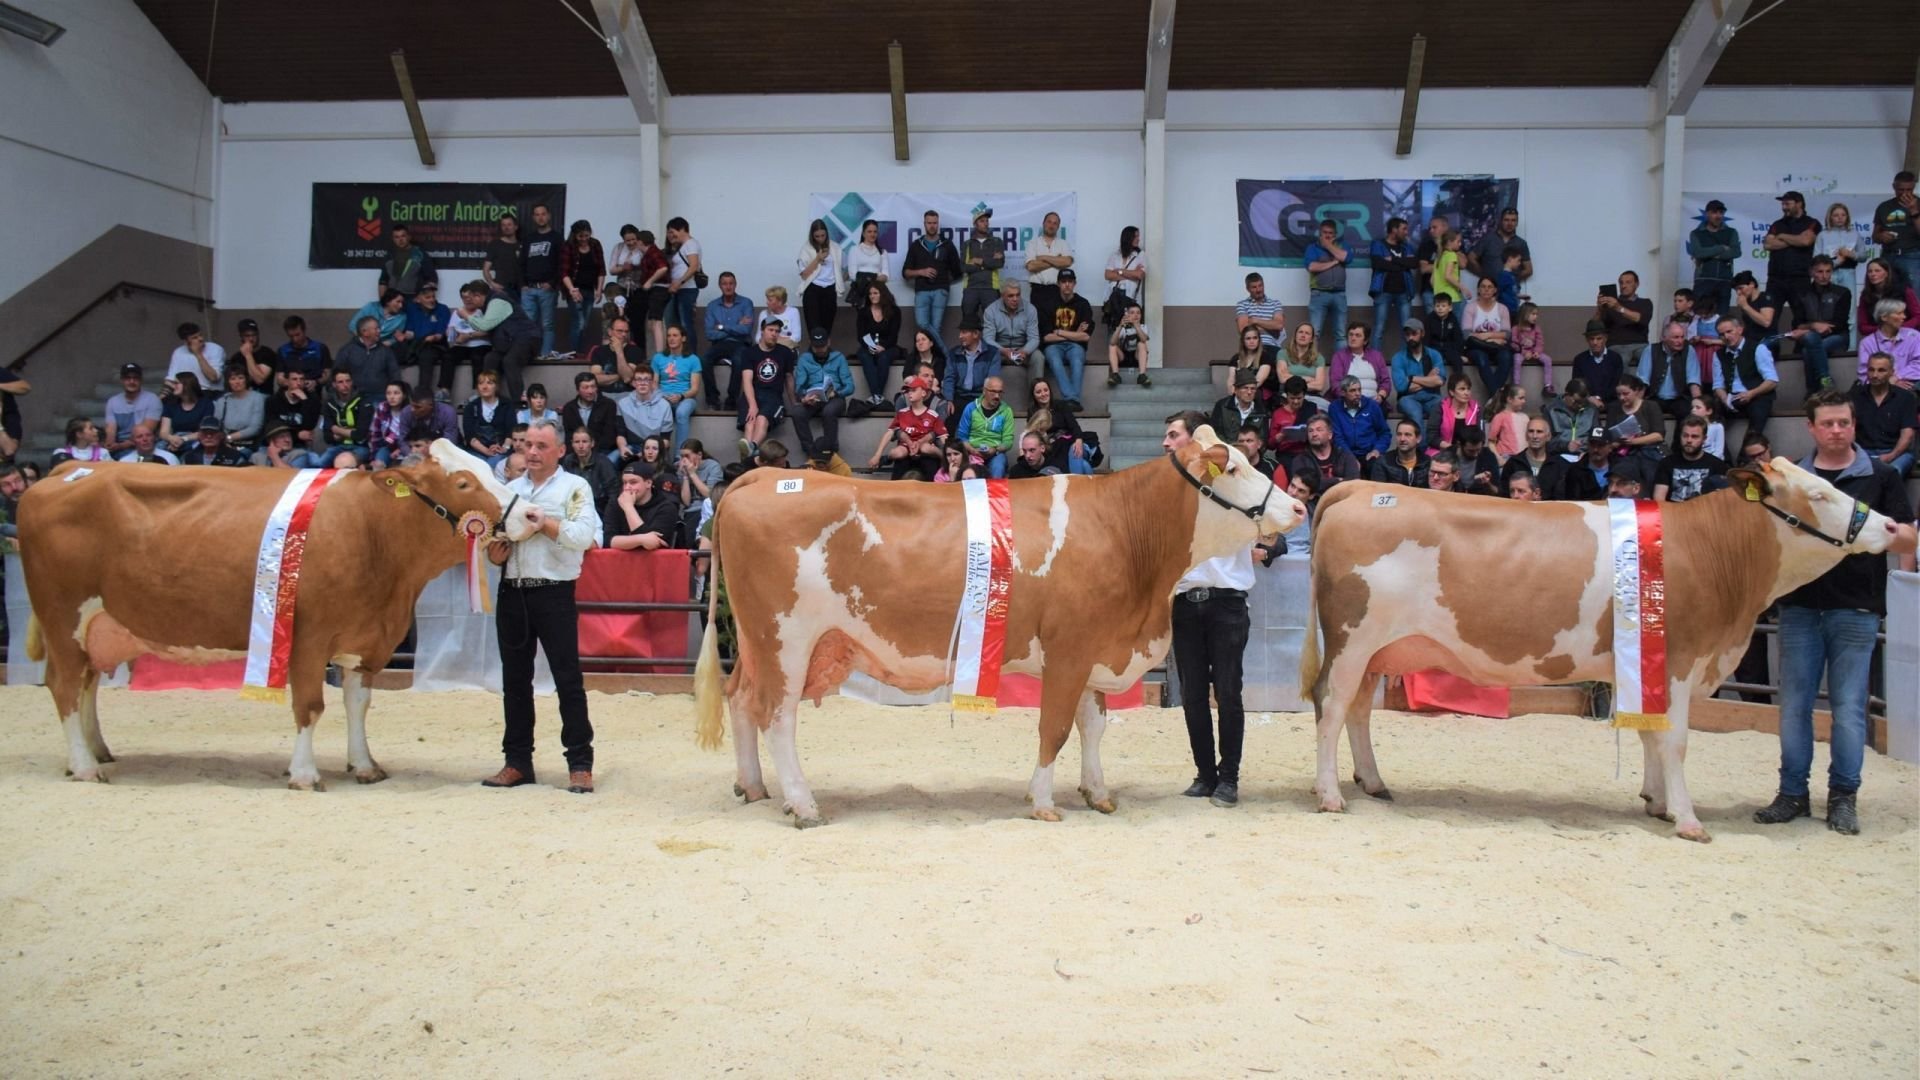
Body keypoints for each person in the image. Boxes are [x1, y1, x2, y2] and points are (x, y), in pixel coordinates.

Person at [1754, 390, 1918, 835]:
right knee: (1794, 707)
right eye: (1827, 423)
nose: (1836, 430)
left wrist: (1872, 529)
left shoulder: (1880, 475)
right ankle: (1792, 793)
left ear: (1854, 423)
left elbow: (1907, 537)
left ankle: (1844, 797)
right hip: (1801, 604)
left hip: (1857, 606)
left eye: (1843, 422)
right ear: (1811, 428)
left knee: (1848, 708)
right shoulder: (1795, 479)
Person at [483, 418, 601, 795]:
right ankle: (517, 761)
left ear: (560, 451)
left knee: (568, 679)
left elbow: (585, 537)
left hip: (554, 592)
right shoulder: (507, 490)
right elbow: (495, 541)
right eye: (527, 445)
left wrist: (545, 524)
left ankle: (580, 764)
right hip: (512, 591)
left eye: (540, 446)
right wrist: (496, 555)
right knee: (514, 681)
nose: (531, 452)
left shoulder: (575, 487)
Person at [1162, 410, 1256, 808]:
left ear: (1194, 439)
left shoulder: (1231, 475)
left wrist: (1207, 445)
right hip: (1186, 602)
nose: (1165, 444)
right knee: (1194, 694)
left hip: (1226, 601)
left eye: (1172, 436)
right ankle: (1205, 774)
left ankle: (1229, 778)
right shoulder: (1169, 491)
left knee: (1229, 693)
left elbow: (1229, 458)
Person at [459, 279, 539, 405]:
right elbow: (487, 328)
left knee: (509, 361)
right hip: (510, 342)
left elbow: (485, 325)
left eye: (471, 298)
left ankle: (519, 401)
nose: (470, 301)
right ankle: (490, 398)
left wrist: (465, 315)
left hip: (527, 338)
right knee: (491, 358)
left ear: (478, 296)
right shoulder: (489, 304)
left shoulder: (497, 301)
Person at [1786, 255, 1853, 392]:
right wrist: (1813, 326)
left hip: (1837, 337)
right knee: (1811, 339)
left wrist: (1808, 328)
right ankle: (1825, 379)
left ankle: (1812, 392)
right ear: (1812, 272)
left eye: (1828, 271)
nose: (1824, 276)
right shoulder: (1801, 293)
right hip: (1810, 336)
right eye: (1820, 271)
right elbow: (1797, 324)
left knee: (1809, 349)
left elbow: (1839, 324)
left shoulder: (1843, 292)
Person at [1709, 314, 1779, 438]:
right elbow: (1718, 385)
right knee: (1711, 418)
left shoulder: (1758, 348)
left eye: (1729, 331)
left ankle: (1746, 456)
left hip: (1756, 395)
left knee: (1757, 418)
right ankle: (1720, 454)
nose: (1726, 337)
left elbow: (1772, 380)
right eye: (1722, 334)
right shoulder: (1718, 355)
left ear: (1740, 329)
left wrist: (1751, 393)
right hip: (1733, 397)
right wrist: (1725, 399)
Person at [792, 326, 854, 463]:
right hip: (814, 398)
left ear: (829, 342)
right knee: (797, 412)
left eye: (822, 346)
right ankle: (811, 452)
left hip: (835, 398)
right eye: (816, 346)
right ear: (811, 344)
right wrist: (804, 397)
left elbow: (850, 386)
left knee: (829, 411)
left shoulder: (839, 358)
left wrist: (836, 392)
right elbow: (799, 387)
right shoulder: (804, 359)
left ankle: (830, 452)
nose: (820, 349)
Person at [740, 317, 797, 462]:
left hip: (773, 396)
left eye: (777, 331)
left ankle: (750, 450)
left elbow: (789, 378)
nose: (774, 334)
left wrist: (794, 402)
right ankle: (751, 454)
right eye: (770, 330)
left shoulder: (785, 352)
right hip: (753, 394)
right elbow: (747, 381)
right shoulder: (749, 353)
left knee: (761, 419)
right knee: (750, 422)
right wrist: (752, 404)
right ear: (762, 331)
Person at [1851, 352, 1917, 476]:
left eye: (1881, 370)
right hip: (1863, 452)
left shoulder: (1905, 398)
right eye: (1871, 370)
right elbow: (1849, 430)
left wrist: (1891, 455)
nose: (1875, 375)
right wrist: (1858, 456)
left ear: (1892, 372)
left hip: (1897, 453)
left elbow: (1907, 435)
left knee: (1891, 472)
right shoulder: (1855, 396)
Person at [1037, 269, 1094, 411]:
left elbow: (1085, 336)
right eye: (1063, 282)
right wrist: (1074, 333)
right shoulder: (1048, 304)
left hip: (1076, 346)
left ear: (1075, 283)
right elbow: (1046, 337)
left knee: (1076, 360)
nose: (1067, 285)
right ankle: (1072, 400)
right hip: (1053, 346)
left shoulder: (1083, 304)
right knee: (1055, 361)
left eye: (1070, 282)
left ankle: (1070, 400)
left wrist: (1059, 331)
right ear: (1058, 284)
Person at [869, 375, 946, 480]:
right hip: (905, 451)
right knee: (899, 454)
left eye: (914, 390)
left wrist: (946, 456)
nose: (910, 393)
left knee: (927, 451)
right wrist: (877, 455)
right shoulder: (902, 413)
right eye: (909, 391)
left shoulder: (933, 415)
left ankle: (943, 460)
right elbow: (889, 433)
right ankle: (887, 460)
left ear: (923, 393)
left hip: (926, 453)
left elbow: (943, 436)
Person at [903, 209, 964, 337]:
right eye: (929, 223)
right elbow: (906, 273)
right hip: (921, 290)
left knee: (936, 326)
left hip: (940, 291)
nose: (932, 226)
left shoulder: (947, 244)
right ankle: (943, 354)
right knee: (922, 324)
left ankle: (935, 356)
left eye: (935, 223)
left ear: (938, 224)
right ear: (924, 224)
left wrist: (944, 279)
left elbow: (958, 271)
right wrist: (921, 272)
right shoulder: (916, 245)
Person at [701, 271, 756, 410]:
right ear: (720, 286)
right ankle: (712, 399)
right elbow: (709, 334)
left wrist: (721, 327)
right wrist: (736, 326)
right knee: (704, 360)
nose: (728, 286)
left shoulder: (746, 303)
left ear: (735, 285)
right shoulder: (712, 306)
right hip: (719, 344)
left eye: (731, 283)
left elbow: (745, 331)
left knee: (739, 361)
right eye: (724, 284)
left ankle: (732, 400)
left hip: (740, 344)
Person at [1764, 191, 1820, 325]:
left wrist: (1782, 236)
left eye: (1787, 204)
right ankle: (1771, 347)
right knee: (1769, 318)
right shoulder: (1777, 224)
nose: (1784, 207)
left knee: (1801, 318)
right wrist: (1795, 240)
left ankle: (1800, 346)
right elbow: (1768, 244)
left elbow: (1805, 241)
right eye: (1783, 204)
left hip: (1799, 279)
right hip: (1775, 279)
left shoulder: (1812, 223)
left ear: (1799, 204)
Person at [649, 323, 704, 453]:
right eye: (668, 336)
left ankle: (680, 455)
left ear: (683, 338)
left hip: (685, 397)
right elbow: (654, 382)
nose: (671, 339)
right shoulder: (658, 358)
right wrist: (661, 395)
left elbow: (695, 388)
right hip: (663, 396)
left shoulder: (693, 359)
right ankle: (657, 453)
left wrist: (680, 396)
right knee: (657, 408)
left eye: (675, 335)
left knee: (681, 412)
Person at [604, 461, 680, 551]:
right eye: (624, 482)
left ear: (648, 483)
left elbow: (651, 546)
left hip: (654, 563)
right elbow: (608, 541)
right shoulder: (615, 503)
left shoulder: (666, 507)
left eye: (633, 482)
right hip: (620, 562)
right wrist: (641, 539)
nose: (627, 488)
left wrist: (629, 508)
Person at [1368, 216, 1419, 350]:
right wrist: (1402, 263)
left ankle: (1405, 361)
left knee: (1407, 329)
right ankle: (1375, 362)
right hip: (1383, 291)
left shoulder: (1406, 246)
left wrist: (1393, 260)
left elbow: (1413, 263)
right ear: (1394, 230)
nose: (1406, 232)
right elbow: (1378, 263)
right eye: (1404, 229)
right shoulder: (1378, 244)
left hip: (1404, 292)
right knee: (1379, 328)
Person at [1651, 415, 1727, 502]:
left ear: (1704, 439)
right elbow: (1659, 499)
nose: (1689, 440)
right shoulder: (1667, 463)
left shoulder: (1717, 465)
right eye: (1685, 436)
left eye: (1694, 436)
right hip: (1674, 513)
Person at [1638, 319, 1700, 423]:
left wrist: (1698, 403)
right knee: (1648, 410)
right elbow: (1643, 381)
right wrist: (1637, 403)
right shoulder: (1651, 350)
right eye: (1676, 337)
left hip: (1680, 398)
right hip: (1655, 397)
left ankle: (1679, 439)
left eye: (1682, 337)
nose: (1680, 341)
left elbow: (1693, 380)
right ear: (1664, 338)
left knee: (1686, 412)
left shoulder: (1689, 350)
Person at [1460, 277, 1512, 400]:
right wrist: (1493, 338)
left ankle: (1493, 399)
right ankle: (1497, 398)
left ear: (1495, 290)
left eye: (1490, 287)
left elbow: (1507, 334)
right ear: (1478, 289)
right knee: (1481, 358)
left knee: (1506, 357)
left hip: (1496, 347)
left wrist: (1488, 335)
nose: (1486, 290)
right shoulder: (1470, 308)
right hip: (1477, 348)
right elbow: (1467, 334)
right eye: (1483, 286)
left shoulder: (1502, 308)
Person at [955, 376, 1016, 478]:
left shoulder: (1006, 411)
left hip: (995, 453)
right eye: (993, 391)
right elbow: (962, 436)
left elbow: (1008, 441)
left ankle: (995, 494)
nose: (997, 396)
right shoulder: (971, 408)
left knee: (998, 466)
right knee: (971, 471)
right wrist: (972, 450)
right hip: (972, 451)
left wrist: (995, 449)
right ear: (984, 391)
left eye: (1000, 392)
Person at [1688, 198, 1739, 317]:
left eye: (1721, 213)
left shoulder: (1731, 232)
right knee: (1700, 314)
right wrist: (1720, 248)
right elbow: (1698, 253)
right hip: (1703, 279)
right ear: (1707, 214)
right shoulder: (1696, 233)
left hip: (1724, 280)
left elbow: (1736, 252)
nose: (1718, 216)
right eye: (1714, 212)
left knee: (1722, 317)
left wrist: (1710, 254)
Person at [1303, 219, 1350, 347]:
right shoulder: (1312, 248)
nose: (1328, 235)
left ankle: (1340, 366)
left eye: (1331, 233)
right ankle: (1312, 365)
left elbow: (1345, 257)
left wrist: (1328, 245)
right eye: (1325, 233)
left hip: (1339, 294)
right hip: (1319, 293)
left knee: (1341, 334)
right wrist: (1334, 262)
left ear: (1335, 234)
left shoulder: (1343, 245)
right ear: (1320, 233)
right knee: (1314, 333)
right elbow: (1312, 267)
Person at [336, 316, 402, 407]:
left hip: (379, 396)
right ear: (365, 332)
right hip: (354, 396)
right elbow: (336, 375)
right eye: (376, 329)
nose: (379, 331)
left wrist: (392, 394)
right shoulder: (347, 351)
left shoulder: (386, 351)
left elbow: (395, 374)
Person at [401, 282, 453, 397]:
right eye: (427, 297)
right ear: (418, 299)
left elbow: (440, 334)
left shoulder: (442, 309)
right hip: (418, 343)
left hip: (436, 344)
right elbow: (410, 332)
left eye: (433, 296)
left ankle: (423, 393)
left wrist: (432, 337)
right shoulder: (412, 309)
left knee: (427, 354)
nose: (432, 300)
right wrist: (403, 335)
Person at [855, 282, 903, 407]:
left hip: (888, 346)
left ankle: (876, 395)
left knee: (883, 358)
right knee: (865, 357)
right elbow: (860, 335)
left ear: (883, 294)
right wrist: (869, 347)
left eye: (875, 293)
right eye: (870, 294)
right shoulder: (863, 312)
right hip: (868, 346)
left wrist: (883, 347)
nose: (872, 296)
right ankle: (878, 396)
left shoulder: (894, 311)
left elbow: (894, 335)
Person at [1872, 170, 1920, 290]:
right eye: (1901, 189)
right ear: (1894, 187)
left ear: (1914, 187)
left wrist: (1914, 211)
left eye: (1909, 190)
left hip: (1912, 255)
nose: (1905, 193)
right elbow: (1875, 236)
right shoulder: (1884, 207)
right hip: (1888, 255)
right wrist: (1881, 236)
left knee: (1915, 294)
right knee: (1885, 292)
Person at [1499, 417, 1569, 500]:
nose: (1534, 436)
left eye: (1539, 432)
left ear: (1548, 437)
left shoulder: (1560, 465)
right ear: (1526, 436)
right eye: (1531, 431)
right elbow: (1504, 495)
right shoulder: (1513, 463)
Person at [1326, 374, 1390, 464]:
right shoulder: (1335, 408)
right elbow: (1337, 437)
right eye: (1352, 390)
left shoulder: (1372, 406)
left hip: (1370, 453)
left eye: (1359, 390)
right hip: (1345, 453)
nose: (1357, 394)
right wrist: (1349, 457)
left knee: (1377, 466)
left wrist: (1377, 450)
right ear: (1343, 393)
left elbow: (1384, 433)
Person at [958, 206, 1005, 324]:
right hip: (971, 288)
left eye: (987, 221)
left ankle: (989, 343)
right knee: (968, 324)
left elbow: (999, 263)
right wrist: (989, 263)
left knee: (992, 324)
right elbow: (963, 267)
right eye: (982, 221)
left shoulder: (996, 241)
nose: (986, 223)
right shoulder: (967, 244)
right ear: (975, 224)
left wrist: (979, 261)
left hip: (990, 288)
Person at [945, 317, 1003, 413]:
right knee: (950, 416)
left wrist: (985, 400)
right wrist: (949, 399)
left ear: (975, 334)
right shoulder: (953, 353)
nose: (960, 336)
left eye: (964, 332)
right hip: (959, 397)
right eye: (960, 332)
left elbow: (992, 380)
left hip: (981, 397)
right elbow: (949, 378)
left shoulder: (992, 353)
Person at [1857, 299, 1919, 388]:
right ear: (1884, 317)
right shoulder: (1867, 343)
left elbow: (1918, 364)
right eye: (1899, 313)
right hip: (1880, 389)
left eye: (1903, 313)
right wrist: (1889, 384)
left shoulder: (1913, 336)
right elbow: (1864, 374)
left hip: (1911, 385)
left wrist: (1896, 377)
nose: (1904, 317)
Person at [1596, 270, 1654, 366]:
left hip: (1640, 344)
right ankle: (1623, 382)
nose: (1623, 286)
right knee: (1620, 361)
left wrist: (1618, 308)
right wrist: (1599, 309)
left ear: (1637, 284)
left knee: (1651, 360)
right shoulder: (1610, 305)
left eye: (1628, 282)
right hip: (1617, 345)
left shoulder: (1645, 303)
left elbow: (1640, 319)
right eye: (1621, 283)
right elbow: (1595, 325)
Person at [795, 218, 841, 336]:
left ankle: (825, 351)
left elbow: (840, 270)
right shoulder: (806, 249)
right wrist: (817, 259)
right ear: (812, 236)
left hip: (830, 289)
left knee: (827, 327)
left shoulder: (835, 247)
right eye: (817, 236)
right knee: (814, 328)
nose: (820, 239)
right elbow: (804, 275)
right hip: (813, 289)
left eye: (823, 235)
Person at [664, 216, 704, 353]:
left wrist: (679, 282)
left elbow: (693, 267)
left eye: (672, 231)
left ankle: (690, 353)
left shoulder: (691, 244)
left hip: (687, 289)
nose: (670, 235)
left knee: (685, 323)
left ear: (682, 229)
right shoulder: (682, 246)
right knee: (676, 323)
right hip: (678, 290)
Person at [1606, 374, 1667, 463]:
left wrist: (1633, 441)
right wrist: (1619, 442)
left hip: (1649, 451)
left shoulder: (1651, 406)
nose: (1622, 398)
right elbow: (1609, 436)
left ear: (1636, 391)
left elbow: (1659, 436)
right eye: (1619, 394)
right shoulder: (1614, 408)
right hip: (1622, 453)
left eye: (1626, 394)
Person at [983, 282, 1040, 377]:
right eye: (1010, 296)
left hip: (1022, 351)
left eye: (1018, 295)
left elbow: (1034, 338)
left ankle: (1037, 390)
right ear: (1002, 296)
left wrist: (1025, 351)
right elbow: (988, 339)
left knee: (1038, 357)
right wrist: (1004, 351)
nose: (1015, 299)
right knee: (985, 354)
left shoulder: (1030, 309)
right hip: (1000, 352)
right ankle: (989, 390)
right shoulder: (991, 310)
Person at [103, 363, 162, 455]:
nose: (132, 381)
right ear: (122, 380)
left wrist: (120, 446)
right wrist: (110, 444)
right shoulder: (113, 401)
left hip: (144, 446)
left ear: (141, 380)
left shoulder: (152, 399)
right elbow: (110, 430)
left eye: (136, 378)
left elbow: (145, 433)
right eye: (127, 378)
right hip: (119, 448)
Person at [1814, 202, 1867, 302]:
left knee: (1849, 303)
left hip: (1848, 272)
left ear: (1847, 217)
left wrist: (1852, 254)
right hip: (1829, 274)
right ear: (1830, 217)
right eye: (1836, 215)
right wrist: (1837, 261)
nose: (1840, 218)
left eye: (1843, 215)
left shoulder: (1854, 234)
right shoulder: (1823, 235)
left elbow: (1863, 256)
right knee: (1828, 303)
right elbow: (1816, 259)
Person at [1289, 414, 1361, 488]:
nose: (1314, 434)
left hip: (1343, 498)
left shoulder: (1345, 456)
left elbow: (1354, 483)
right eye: (1310, 431)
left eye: (1319, 430)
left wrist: (1322, 482)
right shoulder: (1300, 460)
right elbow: (1304, 486)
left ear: (1330, 435)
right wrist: (1337, 480)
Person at [562, 371, 620, 461]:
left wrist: (590, 452)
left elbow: (609, 437)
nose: (590, 391)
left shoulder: (608, 405)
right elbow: (569, 436)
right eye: (586, 387)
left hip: (602, 451)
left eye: (593, 387)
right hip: (577, 452)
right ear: (578, 390)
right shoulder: (569, 408)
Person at [1024, 211, 1073, 317]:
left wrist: (1043, 258)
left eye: (1055, 223)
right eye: (1049, 222)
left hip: (1057, 290)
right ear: (1043, 223)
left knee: (1056, 324)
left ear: (1058, 227)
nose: (1051, 225)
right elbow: (1031, 266)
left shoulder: (1063, 244)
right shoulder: (1033, 243)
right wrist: (1057, 260)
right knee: (1038, 324)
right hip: (1038, 290)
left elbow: (1067, 262)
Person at [1856, 257, 1920, 338]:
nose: (1873, 274)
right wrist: (1884, 330)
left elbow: (1918, 316)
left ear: (1886, 273)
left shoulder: (1904, 290)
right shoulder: (1865, 295)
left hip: (1906, 334)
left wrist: (1900, 328)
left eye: (1877, 271)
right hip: (1878, 337)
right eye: (1870, 271)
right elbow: (1863, 326)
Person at [1468, 206, 1531, 287]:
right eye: (1506, 220)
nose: (1510, 223)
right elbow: (1471, 257)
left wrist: (1512, 278)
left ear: (1517, 223)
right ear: (1501, 221)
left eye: (1513, 220)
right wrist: (1484, 275)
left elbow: (1528, 270)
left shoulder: (1521, 243)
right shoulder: (1488, 239)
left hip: (1510, 290)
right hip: (1489, 290)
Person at [1328, 322, 1390, 404]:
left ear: (1365, 341)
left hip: (1374, 402)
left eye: (1358, 335)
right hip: (1348, 401)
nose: (1353, 338)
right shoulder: (1339, 356)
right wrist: (1350, 398)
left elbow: (1386, 381)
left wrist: (1381, 396)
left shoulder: (1376, 356)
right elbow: (1335, 383)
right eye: (1351, 334)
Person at [462, 370, 515, 466]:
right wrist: (486, 451)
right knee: (479, 465)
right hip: (477, 451)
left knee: (495, 462)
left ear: (497, 386)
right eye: (481, 383)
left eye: (489, 383)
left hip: (501, 450)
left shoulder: (506, 405)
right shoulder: (471, 407)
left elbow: (511, 431)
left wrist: (504, 448)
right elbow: (470, 436)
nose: (484, 387)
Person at [318, 368, 370, 464]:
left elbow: (360, 435)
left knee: (346, 463)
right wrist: (349, 432)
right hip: (337, 447)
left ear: (352, 382)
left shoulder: (364, 402)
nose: (345, 385)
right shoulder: (329, 403)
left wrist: (337, 430)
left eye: (348, 381)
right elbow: (327, 436)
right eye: (340, 382)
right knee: (318, 464)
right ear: (334, 385)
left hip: (360, 448)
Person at [1104, 226, 1148, 336]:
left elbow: (1139, 275)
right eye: (1135, 236)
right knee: (1114, 333)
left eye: (1138, 236)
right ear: (1128, 237)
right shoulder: (1115, 255)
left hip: (1131, 299)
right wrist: (1130, 274)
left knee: (1131, 335)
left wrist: (1119, 271)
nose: (1138, 239)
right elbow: (1108, 274)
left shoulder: (1140, 255)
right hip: (1114, 297)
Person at [561, 424, 618, 508]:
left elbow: (613, 493)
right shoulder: (568, 460)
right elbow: (564, 488)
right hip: (574, 506)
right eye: (577, 442)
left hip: (599, 508)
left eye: (584, 442)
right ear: (572, 444)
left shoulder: (603, 462)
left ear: (592, 443)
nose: (580, 446)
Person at [1570, 319, 1624, 408]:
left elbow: (1617, 384)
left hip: (1611, 402)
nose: (1595, 342)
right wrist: (1590, 398)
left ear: (1605, 338)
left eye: (1599, 339)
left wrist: (1599, 398)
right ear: (1587, 340)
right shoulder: (1579, 359)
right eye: (1592, 339)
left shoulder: (1615, 358)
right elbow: (1577, 385)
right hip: (1587, 402)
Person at [377, 223, 437, 299]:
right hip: (393, 300)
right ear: (393, 239)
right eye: (397, 237)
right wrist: (383, 303)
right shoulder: (389, 256)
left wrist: (421, 299)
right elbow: (383, 281)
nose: (400, 240)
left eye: (403, 236)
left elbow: (432, 279)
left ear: (409, 237)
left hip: (413, 299)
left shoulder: (420, 254)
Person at [589, 316, 644, 397]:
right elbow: (596, 379)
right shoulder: (598, 351)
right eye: (619, 331)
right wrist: (619, 375)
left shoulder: (635, 351)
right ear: (610, 332)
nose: (624, 334)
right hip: (604, 396)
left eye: (626, 331)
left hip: (628, 396)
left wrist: (619, 351)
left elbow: (627, 377)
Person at [1425, 372, 1481, 453]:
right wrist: (1452, 448)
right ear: (1452, 392)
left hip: (1469, 452)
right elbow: (1431, 437)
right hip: (1443, 451)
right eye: (1462, 389)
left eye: (1468, 389)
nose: (1466, 393)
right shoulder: (1440, 408)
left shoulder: (1476, 409)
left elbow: (1481, 436)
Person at [167, 322, 226, 397]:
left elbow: (213, 378)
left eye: (200, 335)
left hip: (209, 392)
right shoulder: (178, 352)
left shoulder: (215, 349)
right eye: (195, 338)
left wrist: (198, 354)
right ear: (186, 342)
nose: (201, 339)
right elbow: (170, 379)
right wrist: (162, 397)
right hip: (185, 393)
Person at [1210, 368, 1270, 442]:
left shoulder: (1261, 411)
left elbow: (1263, 439)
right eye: (1245, 388)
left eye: (1253, 389)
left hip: (1251, 452)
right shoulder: (1222, 406)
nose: (1249, 392)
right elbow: (1215, 433)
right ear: (1235, 390)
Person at [1545, 377, 1600, 457]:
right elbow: (1546, 442)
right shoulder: (1551, 410)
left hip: (1585, 455)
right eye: (1577, 401)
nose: (1580, 405)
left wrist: (1588, 452)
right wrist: (1566, 446)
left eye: (1583, 402)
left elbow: (1596, 437)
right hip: (1559, 454)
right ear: (1567, 394)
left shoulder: (1591, 410)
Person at [214, 366, 266, 449]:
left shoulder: (257, 398)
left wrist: (228, 438)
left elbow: (255, 428)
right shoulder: (223, 400)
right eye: (233, 379)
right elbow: (216, 425)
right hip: (225, 443)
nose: (237, 382)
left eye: (240, 378)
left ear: (246, 379)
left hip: (248, 444)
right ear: (228, 382)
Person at [1266, 376, 1318, 459]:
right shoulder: (1278, 414)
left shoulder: (1312, 408)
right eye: (1292, 398)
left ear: (1304, 395)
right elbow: (1270, 445)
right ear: (1286, 396)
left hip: (1308, 453)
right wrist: (1277, 438)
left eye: (1299, 398)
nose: (1295, 401)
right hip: (1286, 455)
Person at [844, 218, 890, 310]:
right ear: (863, 233)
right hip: (861, 293)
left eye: (875, 231)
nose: (872, 234)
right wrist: (875, 277)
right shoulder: (854, 250)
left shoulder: (882, 252)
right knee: (863, 320)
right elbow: (853, 275)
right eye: (869, 231)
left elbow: (886, 276)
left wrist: (867, 277)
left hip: (878, 292)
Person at [1562, 426, 1618, 501]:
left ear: (1610, 448)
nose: (1595, 449)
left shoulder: (1619, 468)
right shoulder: (1576, 470)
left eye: (1601, 445)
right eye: (1592, 444)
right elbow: (1573, 500)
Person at [1234, 272, 1286, 350]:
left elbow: (1279, 325)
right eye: (1254, 287)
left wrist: (1255, 321)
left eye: (1260, 286)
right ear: (1247, 289)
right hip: (1251, 347)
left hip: (1271, 346)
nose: (1258, 290)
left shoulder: (1275, 303)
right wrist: (1271, 328)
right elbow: (1243, 330)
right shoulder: (1242, 304)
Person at [1105, 302, 1151, 389]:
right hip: (1123, 357)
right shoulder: (1123, 327)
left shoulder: (1143, 326)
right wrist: (1120, 326)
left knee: (1141, 344)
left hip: (1137, 357)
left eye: (1138, 313)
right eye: (1132, 313)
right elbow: (1112, 342)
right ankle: (1115, 375)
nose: (1136, 315)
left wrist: (1136, 326)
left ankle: (1142, 375)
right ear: (1127, 315)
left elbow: (1144, 339)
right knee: (1112, 346)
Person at [483, 211, 525, 306]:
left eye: (509, 224)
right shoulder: (495, 245)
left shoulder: (523, 245)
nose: (506, 227)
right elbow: (486, 269)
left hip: (521, 290)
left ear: (516, 227)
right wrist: (492, 283)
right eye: (503, 225)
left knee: (519, 319)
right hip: (502, 289)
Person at [1511, 302, 1552, 396]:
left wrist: (1537, 352)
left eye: (1537, 314)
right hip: (1521, 353)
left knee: (1547, 359)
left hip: (1534, 352)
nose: (1535, 317)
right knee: (1516, 359)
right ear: (1524, 314)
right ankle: (1516, 385)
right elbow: (1514, 343)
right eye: (1533, 314)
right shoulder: (1516, 329)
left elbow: (1540, 342)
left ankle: (1548, 385)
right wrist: (1524, 352)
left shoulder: (1536, 329)